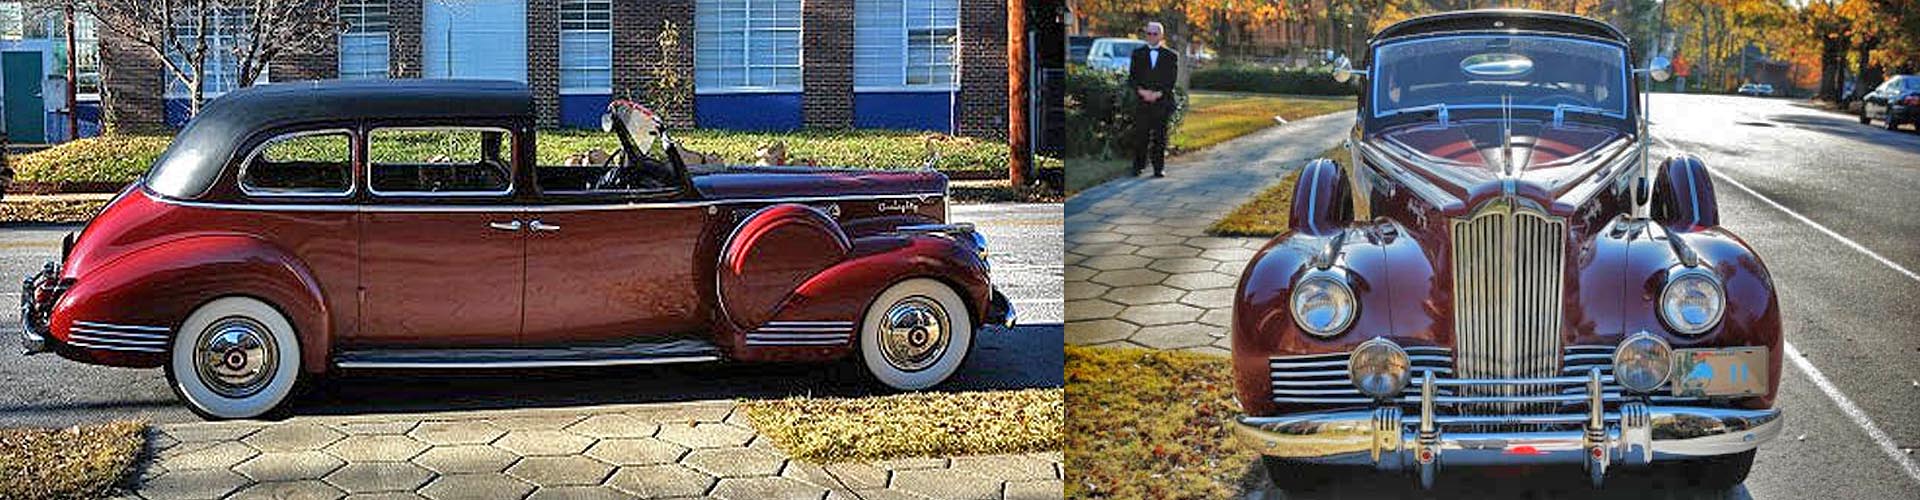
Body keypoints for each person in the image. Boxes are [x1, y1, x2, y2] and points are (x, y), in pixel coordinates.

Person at [1129, 22, 1178, 178]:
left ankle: (1158, 168)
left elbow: (1171, 80)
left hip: (1161, 102)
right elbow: (1132, 78)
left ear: (1161, 35)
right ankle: (1138, 166)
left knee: (1160, 137)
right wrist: (1142, 92)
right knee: (1141, 135)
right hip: (1142, 101)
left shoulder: (1171, 56)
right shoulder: (1137, 54)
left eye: (1154, 34)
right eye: (1148, 34)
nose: (1151, 37)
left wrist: (1158, 94)